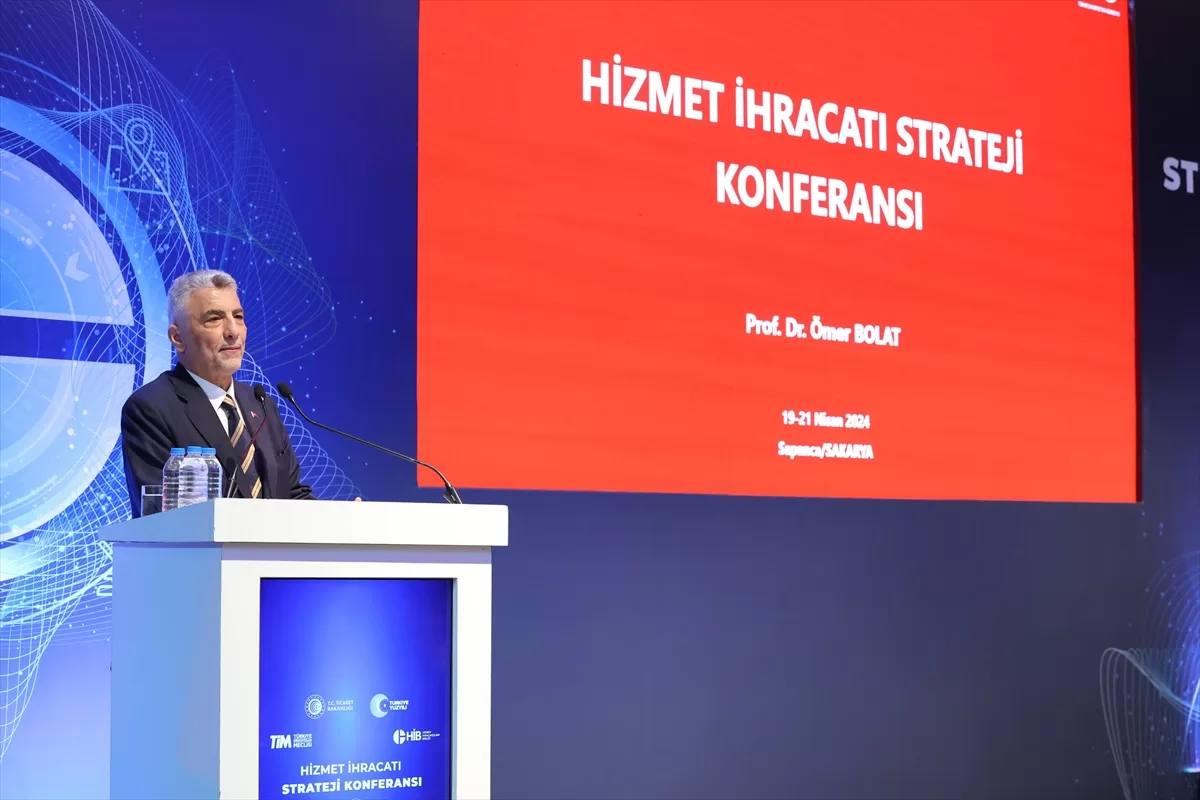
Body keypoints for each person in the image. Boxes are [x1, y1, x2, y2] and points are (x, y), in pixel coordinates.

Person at [121, 269, 314, 516]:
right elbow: (162, 514)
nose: (233, 331)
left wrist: (343, 518)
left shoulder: (260, 403)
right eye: (214, 319)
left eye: (238, 316)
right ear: (177, 338)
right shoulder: (151, 408)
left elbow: (291, 494)